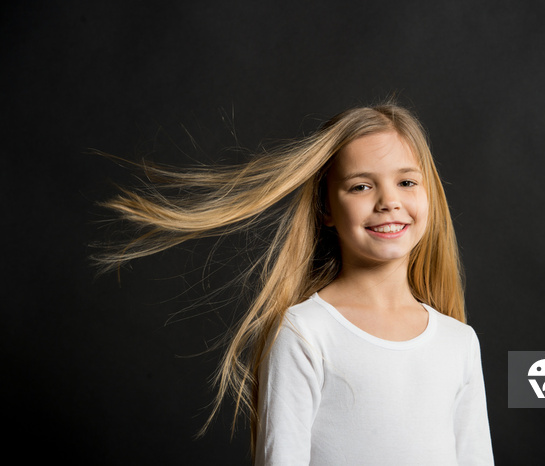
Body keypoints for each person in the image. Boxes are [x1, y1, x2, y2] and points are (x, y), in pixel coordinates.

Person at [96, 103, 493, 465]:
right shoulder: (305, 333)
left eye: (407, 182)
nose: (388, 201)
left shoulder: (459, 342)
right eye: (360, 186)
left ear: (430, 195)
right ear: (326, 209)